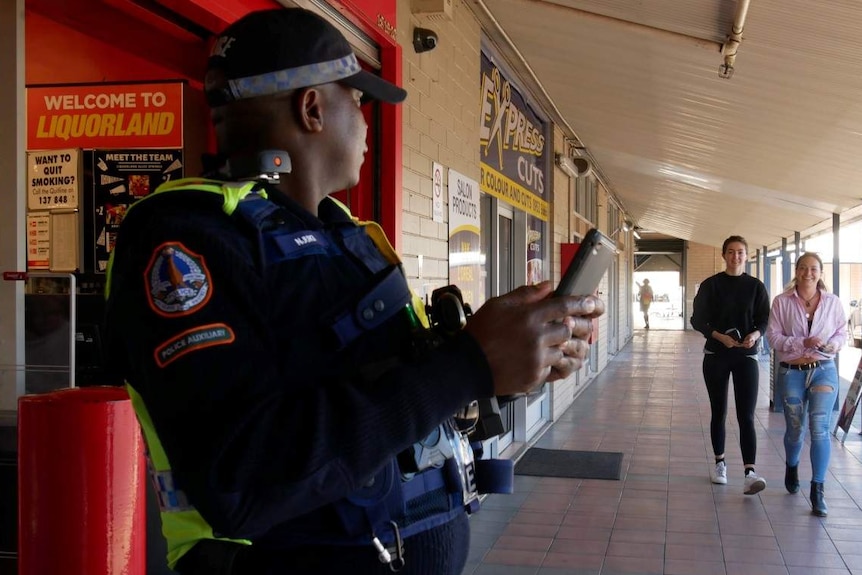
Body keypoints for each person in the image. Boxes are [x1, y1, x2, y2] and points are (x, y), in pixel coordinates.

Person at [104, 8, 604, 575]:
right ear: (312, 108)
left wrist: (510, 365)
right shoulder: (184, 240)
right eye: (358, 100)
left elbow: (403, 396)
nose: (366, 122)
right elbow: (241, 479)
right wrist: (468, 364)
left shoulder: (344, 232)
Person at [766, 252, 845, 516]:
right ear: (796, 271)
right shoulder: (781, 302)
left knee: (820, 427)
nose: (808, 273)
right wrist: (802, 343)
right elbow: (774, 338)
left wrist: (834, 344)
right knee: (795, 428)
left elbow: (840, 332)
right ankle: (792, 464)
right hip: (792, 371)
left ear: (821, 272)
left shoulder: (833, 303)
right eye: (803, 268)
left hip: (823, 369)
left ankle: (817, 490)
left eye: (813, 269)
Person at [690, 235, 769, 494]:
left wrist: (754, 335)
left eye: (741, 252)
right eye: (731, 252)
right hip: (716, 355)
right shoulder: (711, 285)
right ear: (724, 255)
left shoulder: (756, 287)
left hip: (746, 356)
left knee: (746, 415)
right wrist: (719, 336)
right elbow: (698, 319)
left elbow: (763, 320)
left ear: (747, 256)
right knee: (719, 411)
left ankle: (750, 472)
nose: (736, 256)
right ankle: (720, 464)